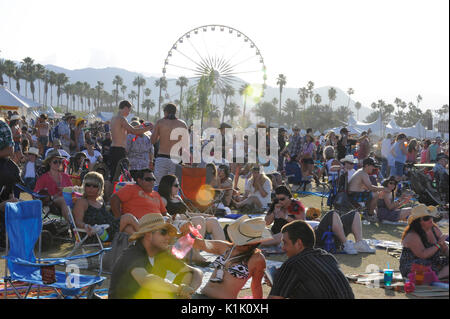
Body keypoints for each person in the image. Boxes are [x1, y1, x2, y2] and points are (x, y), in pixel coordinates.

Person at [108, 213, 203, 299]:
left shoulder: (160, 253)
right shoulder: (132, 255)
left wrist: (189, 290)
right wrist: (179, 289)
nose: (168, 237)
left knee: (188, 275)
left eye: (168, 233)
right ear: (149, 235)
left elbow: (197, 272)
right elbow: (147, 280)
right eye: (163, 232)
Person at [184, 215, 269, 299]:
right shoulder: (224, 247)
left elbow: (256, 286)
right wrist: (187, 231)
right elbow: (199, 244)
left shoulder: (257, 259)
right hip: (202, 296)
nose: (237, 242)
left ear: (255, 242)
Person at [267, 220, 354, 299]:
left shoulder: (293, 264)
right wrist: (278, 284)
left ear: (299, 243)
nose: (283, 248)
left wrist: (276, 285)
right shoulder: (328, 257)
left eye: (285, 243)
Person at [72, 171, 138, 241]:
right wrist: (85, 226)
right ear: (84, 186)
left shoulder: (101, 201)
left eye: (95, 186)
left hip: (109, 230)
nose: (91, 188)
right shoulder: (82, 202)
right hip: (98, 234)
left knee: (129, 229)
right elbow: (78, 222)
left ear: (100, 188)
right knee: (128, 217)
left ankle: (143, 245)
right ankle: (145, 237)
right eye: (88, 185)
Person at [400, 204, 448, 280]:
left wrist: (445, 248)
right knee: (422, 265)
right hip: (414, 264)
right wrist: (438, 244)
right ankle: (436, 276)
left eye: (430, 217)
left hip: (432, 262)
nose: (430, 220)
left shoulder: (434, 229)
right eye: (426, 218)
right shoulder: (412, 235)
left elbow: (444, 249)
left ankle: (436, 276)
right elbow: (423, 255)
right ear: (418, 222)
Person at [110, 100, 152, 181]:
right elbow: (134, 132)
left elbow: (128, 131)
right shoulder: (122, 119)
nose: (129, 112)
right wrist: (148, 128)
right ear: (125, 108)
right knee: (119, 177)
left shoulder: (114, 118)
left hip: (114, 149)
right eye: (129, 110)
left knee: (113, 175)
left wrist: (141, 126)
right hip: (119, 150)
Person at [151, 103, 187, 185]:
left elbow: (152, 141)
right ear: (175, 112)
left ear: (165, 112)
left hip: (162, 157)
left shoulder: (160, 122)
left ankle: (158, 198)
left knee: (157, 184)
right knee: (173, 186)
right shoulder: (182, 124)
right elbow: (185, 145)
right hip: (176, 159)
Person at [34, 149, 72, 221]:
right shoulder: (44, 178)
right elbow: (35, 194)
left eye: (60, 162)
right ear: (49, 163)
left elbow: (72, 189)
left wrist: (66, 190)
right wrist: (49, 196)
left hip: (68, 199)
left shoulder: (65, 176)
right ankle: (71, 223)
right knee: (63, 200)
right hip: (52, 201)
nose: (58, 164)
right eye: (55, 162)